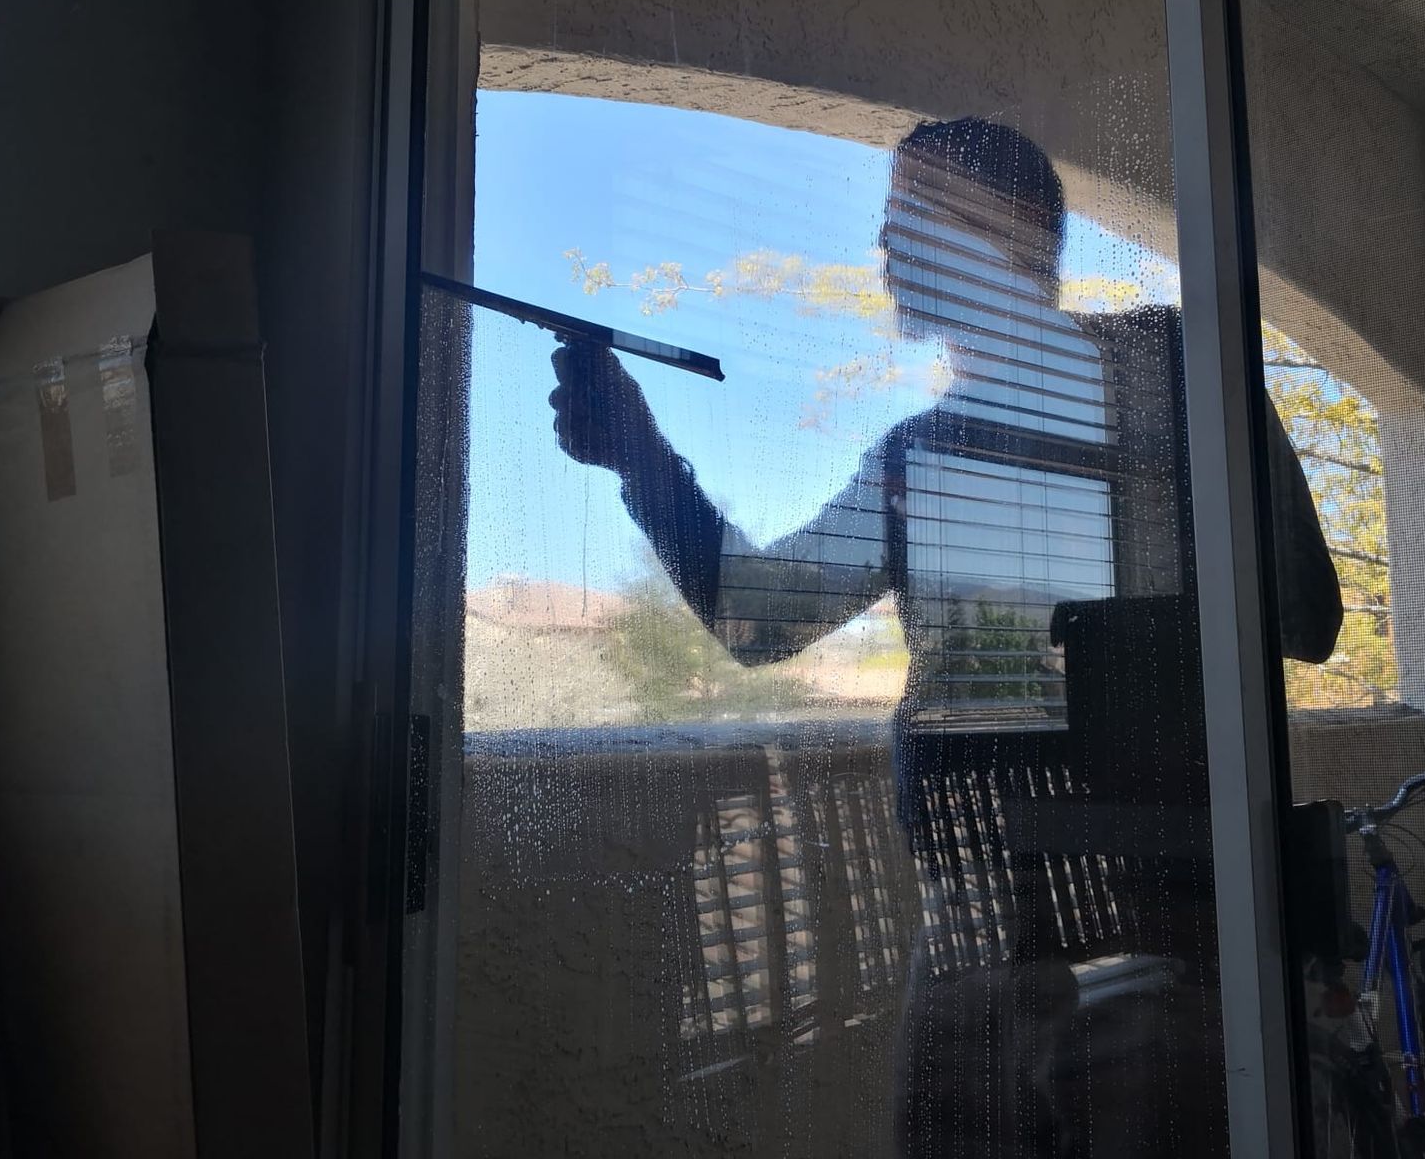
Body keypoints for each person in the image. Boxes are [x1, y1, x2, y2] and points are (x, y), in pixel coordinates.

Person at [548, 116, 1342, 1155]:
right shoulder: (921, 454)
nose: (883, 254)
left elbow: (1306, 616)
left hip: (1165, 929)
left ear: (1005, 233)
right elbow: (761, 620)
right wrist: (640, 459)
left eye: (908, 219)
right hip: (983, 927)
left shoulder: (1172, 368)